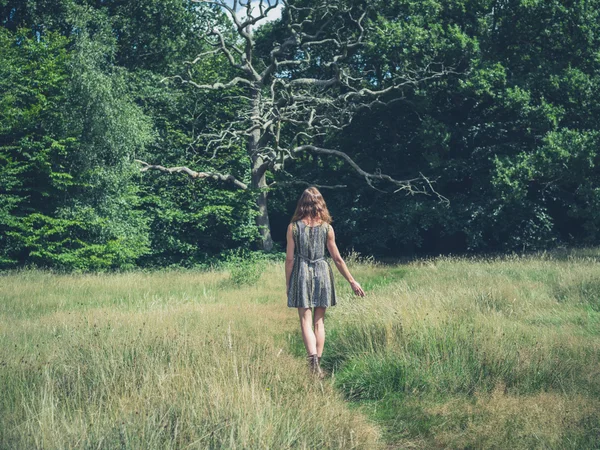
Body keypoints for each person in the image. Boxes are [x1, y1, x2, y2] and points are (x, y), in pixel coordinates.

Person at [285, 187, 366, 378]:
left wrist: (289, 284)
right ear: (320, 203)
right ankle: (317, 364)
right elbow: (337, 259)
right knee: (319, 322)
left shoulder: (293, 227)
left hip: (302, 272)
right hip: (322, 272)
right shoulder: (327, 228)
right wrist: (352, 281)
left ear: (302, 204)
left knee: (305, 321)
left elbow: (289, 260)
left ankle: (313, 364)